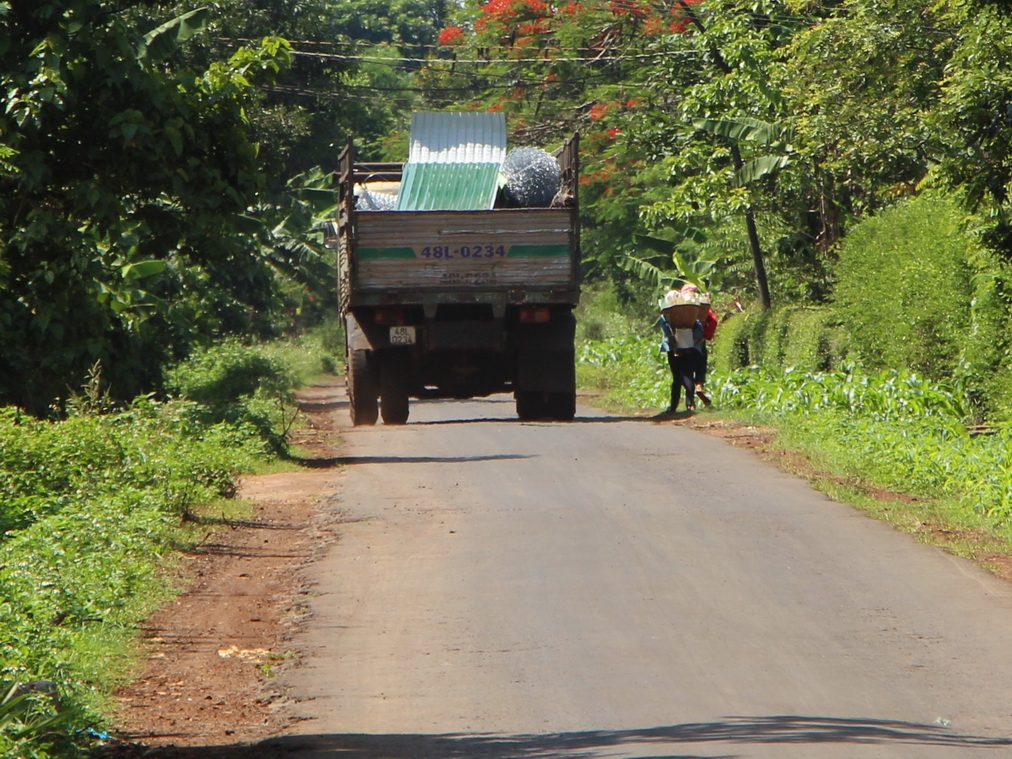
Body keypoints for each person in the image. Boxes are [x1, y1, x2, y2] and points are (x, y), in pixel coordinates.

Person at [658, 293, 704, 413]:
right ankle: (690, 404)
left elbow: (666, 331)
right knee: (688, 374)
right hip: (689, 347)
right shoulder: (691, 313)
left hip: (673, 349)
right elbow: (699, 330)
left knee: (677, 377)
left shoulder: (666, 316)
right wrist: (693, 341)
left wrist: (673, 342)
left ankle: (673, 406)